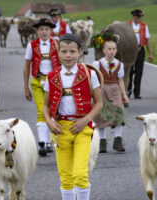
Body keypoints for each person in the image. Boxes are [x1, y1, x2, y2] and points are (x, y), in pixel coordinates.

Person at [43, 33, 103, 200]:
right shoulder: (52, 76)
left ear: (80, 52)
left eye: (72, 51)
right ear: (58, 53)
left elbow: (99, 103)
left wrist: (85, 120)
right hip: (61, 129)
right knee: (65, 176)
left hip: (83, 129)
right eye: (64, 52)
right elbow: (46, 105)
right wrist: (49, 122)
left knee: (80, 174)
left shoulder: (89, 74)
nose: (68, 55)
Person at [23, 18, 60, 157]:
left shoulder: (57, 43)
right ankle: (42, 143)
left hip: (54, 81)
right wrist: (26, 87)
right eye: (41, 29)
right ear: (37, 31)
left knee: (53, 110)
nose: (44, 32)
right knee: (41, 110)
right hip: (38, 81)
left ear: (51, 31)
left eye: (46, 29)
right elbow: (27, 66)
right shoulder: (31, 45)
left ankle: (51, 141)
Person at [92, 40, 129, 153]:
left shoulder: (119, 64)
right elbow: (93, 79)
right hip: (102, 89)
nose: (111, 51)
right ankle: (102, 141)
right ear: (104, 50)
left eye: (113, 49)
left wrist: (124, 94)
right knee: (101, 115)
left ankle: (117, 140)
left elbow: (120, 80)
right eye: (109, 49)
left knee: (119, 113)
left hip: (114, 90)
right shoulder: (97, 64)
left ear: (116, 50)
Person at [128, 9, 154, 99]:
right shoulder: (128, 25)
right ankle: (128, 90)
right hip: (130, 51)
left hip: (140, 50)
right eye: (136, 18)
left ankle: (137, 92)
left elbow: (147, 40)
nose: (137, 20)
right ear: (133, 17)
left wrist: (150, 53)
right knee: (129, 72)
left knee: (139, 72)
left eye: (139, 18)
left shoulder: (144, 26)